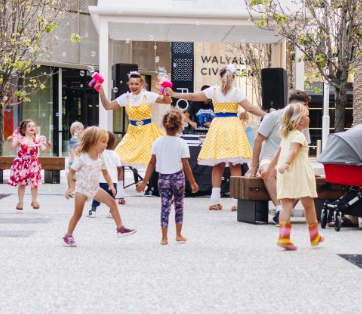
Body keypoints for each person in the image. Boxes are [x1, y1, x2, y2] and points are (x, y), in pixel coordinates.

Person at [167, 65, 267, 211]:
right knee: (235, 164)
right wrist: (268, 115)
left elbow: (193, 96)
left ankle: (214, 201)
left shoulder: (213, 90)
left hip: (218, 126)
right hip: (233, 126)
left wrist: (174, 94)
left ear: (220, 77)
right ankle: (237, 203)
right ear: (233, 78)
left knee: (218, 164)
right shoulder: (237, 92)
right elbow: (250, 109)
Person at [63, 127, 136, 247]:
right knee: (78, 214)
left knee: (112, 203)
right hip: (81, 190)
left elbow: (105, 172)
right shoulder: (82, 157)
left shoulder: (101, 157)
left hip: (95, 189)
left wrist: (111, 185)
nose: (106, 145)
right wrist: (71, 188)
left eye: (106, 142)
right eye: (103, 142)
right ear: (93, 141)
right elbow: (71, 173)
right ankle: (68, 235)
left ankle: (120, 228)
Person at [248, 89, 311, 224]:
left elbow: (300, 149)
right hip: (270, 158)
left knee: (302, 177)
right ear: (302, 105)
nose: (308, 111)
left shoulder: (302, 122)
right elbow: (258, 140)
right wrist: (254, 166)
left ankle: (284, 212)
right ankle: (279, 209)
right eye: (306, 106)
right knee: (268, 172)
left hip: (292, 161)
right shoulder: (273, 117)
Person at [137, 111, 199, 245]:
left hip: (163, 178)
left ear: (164, 125)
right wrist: (193, 183)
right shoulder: (182, 143)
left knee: (164, 206)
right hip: (177, 177)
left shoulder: (157, 142)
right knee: (179, 205)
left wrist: (144, 182)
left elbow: (151, 163)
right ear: (179, 126)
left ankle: (164, 238)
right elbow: (186, 165)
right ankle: (178, 234)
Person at [97, 71, 169, 170]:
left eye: (136, 84)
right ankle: (118, 184)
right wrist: (101, 91)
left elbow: (167, 101)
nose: (133, 86)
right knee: (118, 156)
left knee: (151, 159)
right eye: (131, 84)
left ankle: (150, 183)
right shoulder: (126, 98)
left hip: (148, 132)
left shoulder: (148, 95)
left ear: (142, 84)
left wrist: (162, 88)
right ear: (128, 84)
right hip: (133, 133)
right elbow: (107, 106)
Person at [275, 103, 323, 251]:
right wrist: (287, 163)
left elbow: (285, 151)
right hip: (298, 174)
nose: (309, 118)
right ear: (300, 120)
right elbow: (293, 151)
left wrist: (281, 166)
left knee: (286, 206)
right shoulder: (299, 135)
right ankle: (314, 235)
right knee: (308, 205)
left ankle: (283, 237)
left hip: (287, 174)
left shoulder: (286, 136)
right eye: (307, 115)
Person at [7, 119, 52, 211]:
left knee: (34, 184)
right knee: (22, 184)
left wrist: (48, 147)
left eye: (33, 126)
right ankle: (20, 202)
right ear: (23, 130)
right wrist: (9, 141)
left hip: (33, 164)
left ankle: (34, 201)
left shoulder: (37, 140)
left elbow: (43, 149)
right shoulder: (20, 139)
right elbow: (11, 147)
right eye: (29, 126)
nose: (32, 127)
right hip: (22, 164)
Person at [88, 131, 122, 217]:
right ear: (114, 143)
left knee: (97, 196)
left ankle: (93, 211)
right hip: (113, 180)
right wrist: (118, 179)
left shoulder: (100, 154)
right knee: (111, 197)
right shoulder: (116, 155)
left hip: (101, 179)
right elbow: (119, 168)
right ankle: (111, 212)